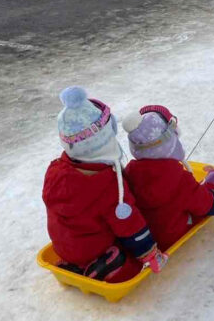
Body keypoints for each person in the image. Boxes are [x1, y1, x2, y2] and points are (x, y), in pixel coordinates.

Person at [42, 87, 167, 283]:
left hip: (63, 247)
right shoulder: (108, 185)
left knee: (82, 226)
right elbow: (130, 225)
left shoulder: (55, 171)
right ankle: (105, 264)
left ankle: (73, 264)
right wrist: (150, 254)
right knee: (131, 266)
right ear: (105, 137)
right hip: (92, 248)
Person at [124, 106, 214, 251]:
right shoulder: (179, 179)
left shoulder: (128, 174)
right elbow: (205, 203)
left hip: (144, 241)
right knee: (198, 204)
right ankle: (211, 180)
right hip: (172, 238)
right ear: (170, 142)